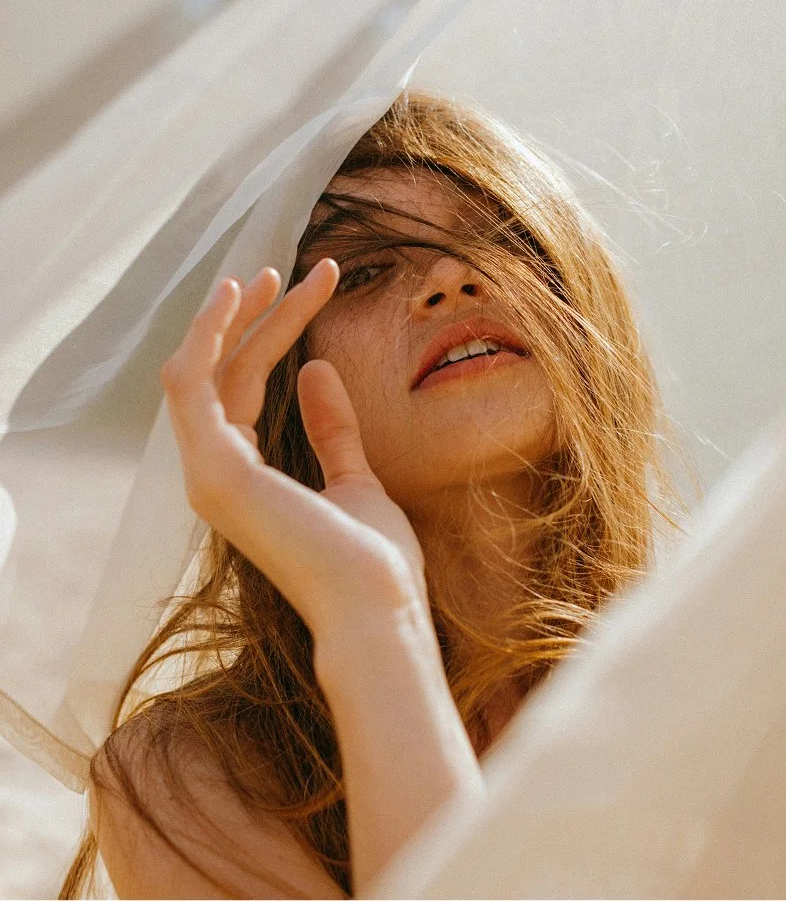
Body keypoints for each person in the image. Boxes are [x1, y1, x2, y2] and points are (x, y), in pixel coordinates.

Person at [61, 91, 672, 899]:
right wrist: (372, 616)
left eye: (501, 238)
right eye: (364, 271)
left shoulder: (738, 652)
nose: (452, 277)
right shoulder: (191, 776)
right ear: (272, 381)